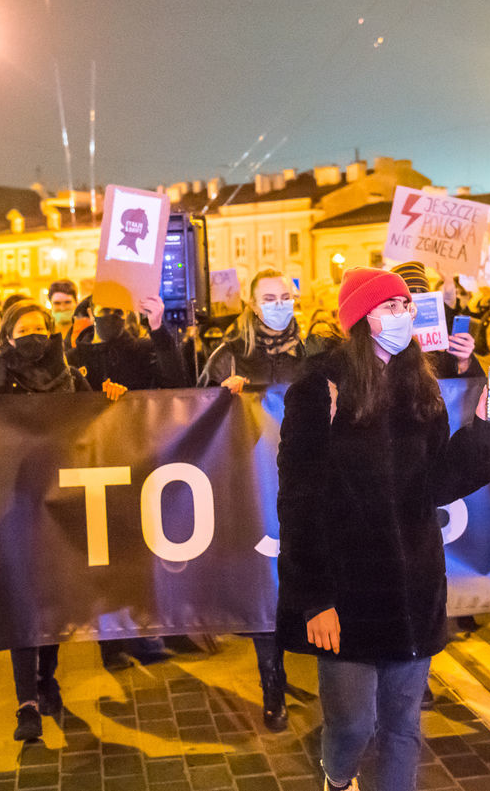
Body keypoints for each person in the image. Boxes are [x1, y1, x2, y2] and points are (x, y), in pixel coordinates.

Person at [276, 267, 490, 791]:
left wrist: (487, 429)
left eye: (406, 305)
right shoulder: (320, 388)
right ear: (361, 319)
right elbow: (298, 500)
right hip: (347, 590)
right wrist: (315, 597)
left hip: (414, 587)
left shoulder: (418, 384)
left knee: (403, 726)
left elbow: (437, 483)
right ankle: (338, 778)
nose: (404, 314)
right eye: (390, 306)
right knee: (354, 724)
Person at [200, 268, 305, 732]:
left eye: (286, 296)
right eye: (270, 297)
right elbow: (191, 415)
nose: (279, 303)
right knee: (266, 589)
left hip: (306, 484)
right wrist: (222, 399)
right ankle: (272, 685)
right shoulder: (229, 355)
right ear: (252, 302)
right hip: (253, 486)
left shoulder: (315, 351)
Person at [0, 302, 91, 741]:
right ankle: (26, 700)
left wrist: (115, 394)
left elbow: (97, 415)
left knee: (54, 600)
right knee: (23, 601)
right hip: (13, 504)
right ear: (7, 337)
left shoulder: (70, 374)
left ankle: (48, 676)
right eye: (23, 330)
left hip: (62, 502)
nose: (33, 336)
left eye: (40, 329)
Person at [68, 295, 185, 391]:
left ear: (127, 314)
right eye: (105, 310)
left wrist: (158, 329)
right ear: (91, 313)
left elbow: (174, 382)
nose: (111, 317)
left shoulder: (143, 351)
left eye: (118, 312)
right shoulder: (74, 358)